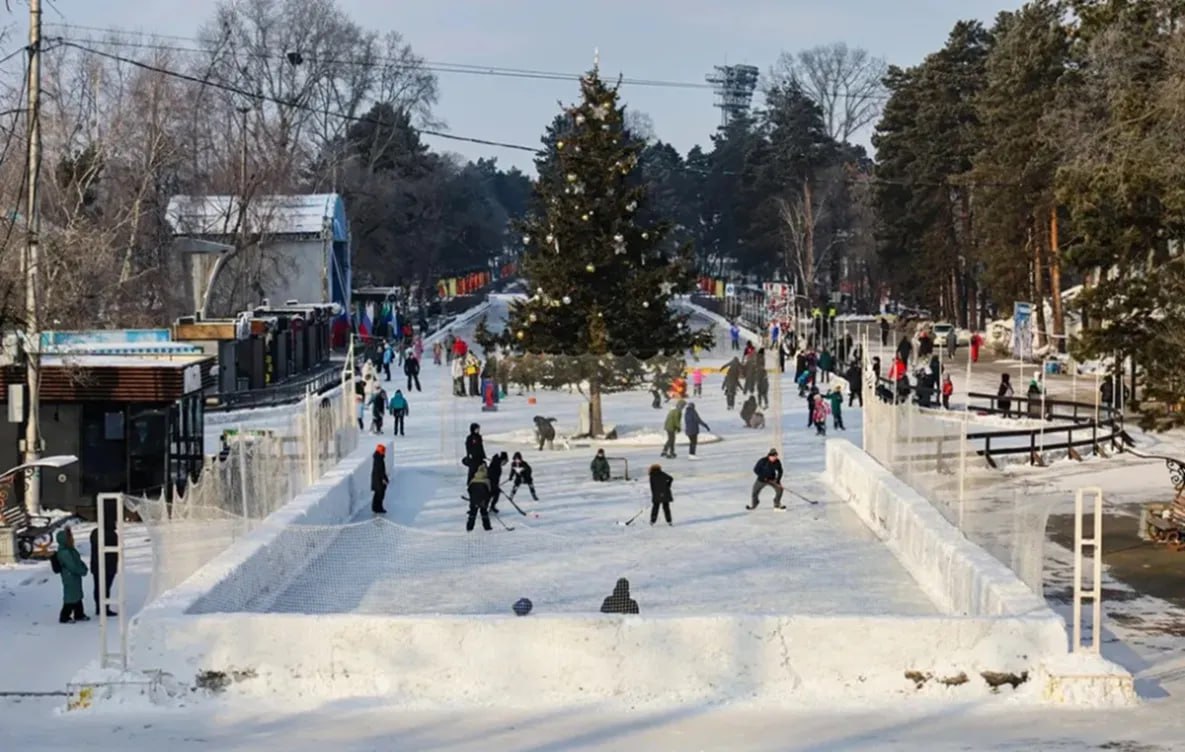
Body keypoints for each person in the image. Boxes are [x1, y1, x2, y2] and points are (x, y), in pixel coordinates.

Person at [88, 500, 118, 617]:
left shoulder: (95, 533)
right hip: (108, 567)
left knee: (98, 587)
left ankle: (99, 607)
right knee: (105, 588)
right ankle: (104, 608)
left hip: (97, 565)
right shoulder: (112, 535)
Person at [53, 529, 88, 623]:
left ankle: (79, 613)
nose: (72, 539)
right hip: (70, 576)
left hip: (74, 576)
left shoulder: (70, 550)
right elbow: (72, 565)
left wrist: (83, 567)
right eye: (70, 537)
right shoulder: (65, 552)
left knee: (77, 594)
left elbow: (77, 561)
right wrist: (81, 570)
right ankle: (65, 616)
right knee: (71, 595)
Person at [466, 461, 494, 532]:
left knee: (473, 512)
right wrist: (487, 500)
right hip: (483, 498)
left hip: (474, 498)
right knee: (484, 511)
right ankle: (487, 527)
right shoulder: (487, 480)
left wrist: (472, 498)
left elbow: (469, 489)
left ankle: (469, 527)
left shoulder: (473, 480)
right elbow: (489, 491)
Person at [371, 443, 389, 514]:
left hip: (377, 479)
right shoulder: (379, 459)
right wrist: (384, 479)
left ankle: (376, 507)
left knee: (377, 494)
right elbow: (381, 470)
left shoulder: (378, 457)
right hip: (378, 480)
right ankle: (378, 508)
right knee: (380, 494)